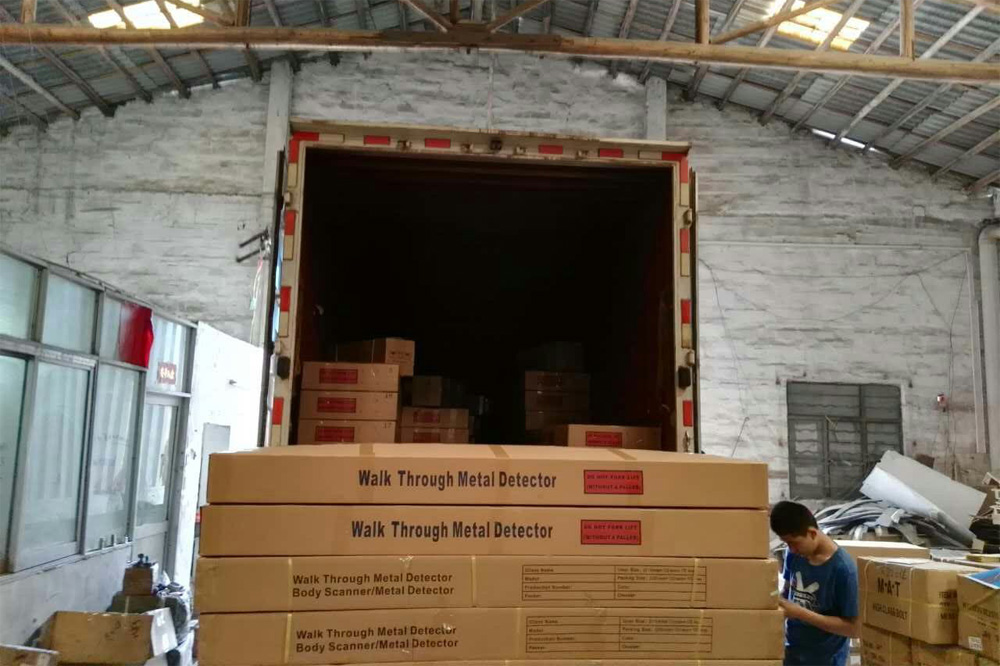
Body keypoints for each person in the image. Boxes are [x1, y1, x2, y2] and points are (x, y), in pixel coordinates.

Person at [770, 500, 860, 666]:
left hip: (825, 660)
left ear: (811, 533)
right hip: (792, 654)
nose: (791, 549)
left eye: (794, 542)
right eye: (787, 543)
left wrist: (800, 613)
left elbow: (854, 628)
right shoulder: (794, 555)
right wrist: (774, 598)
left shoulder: (843, 570)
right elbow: (787, 591)